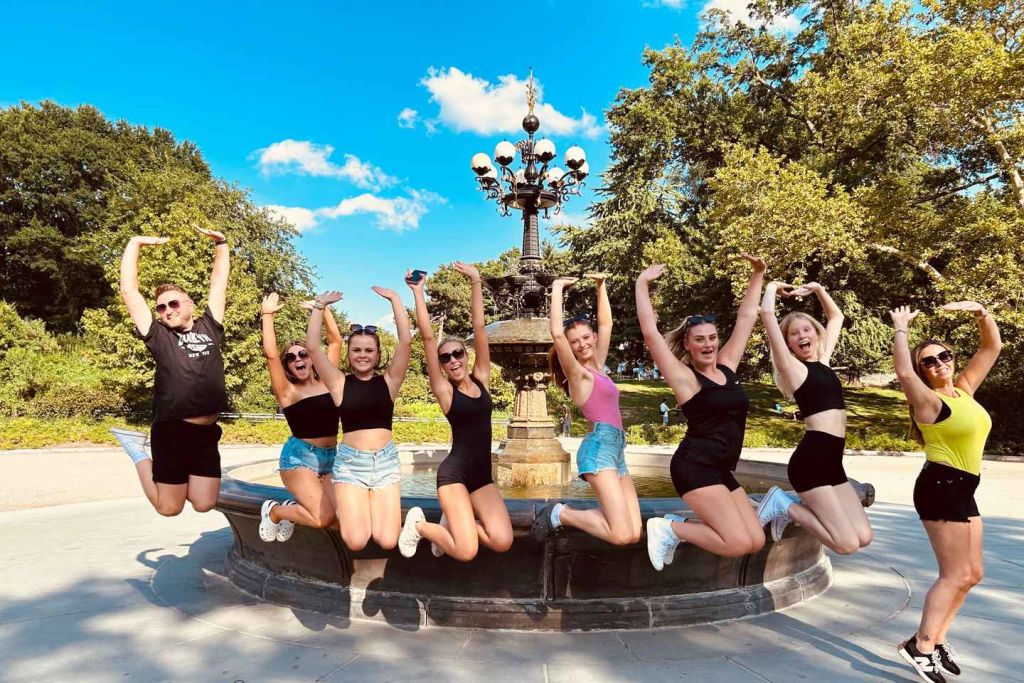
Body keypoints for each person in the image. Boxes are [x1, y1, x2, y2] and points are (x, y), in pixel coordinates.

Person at [635, 256, 771, 570]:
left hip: (720, 469)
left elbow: (746, 317)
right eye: (700, 340)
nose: (708, 345)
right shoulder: (686, 379)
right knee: (737, 543)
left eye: (712, 338)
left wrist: (758, 273)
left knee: (755, 540)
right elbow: (651, 334)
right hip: (695, 467)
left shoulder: (727, 366)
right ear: (688, 344)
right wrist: (642, 284)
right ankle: (668, 528)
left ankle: (678, 524)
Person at [891, 302, 1000, 683]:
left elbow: (991, 348)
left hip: (963, 488)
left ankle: (936, 639)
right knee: (953, 575)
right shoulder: (928, 401)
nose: (939, 364)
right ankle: (920, 647)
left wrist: (981, 312)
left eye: (944, 356)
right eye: (929, 362)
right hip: (940, 487)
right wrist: (901, 328)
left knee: (972, 573)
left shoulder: (964, 390)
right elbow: (903, 372)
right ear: (922, 370)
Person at [109, 227, 229, 517]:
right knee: (169, 508)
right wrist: (135, 242)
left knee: (204, 503)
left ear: (190, 305)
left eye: (173, 303)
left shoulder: (210, 326)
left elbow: (218, 284)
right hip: (173, 432)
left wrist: (221, 243)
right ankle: (137, 450)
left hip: (207, 432)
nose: (167, 310)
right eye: (161, 307)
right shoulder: (160, 336)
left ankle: (170, 476)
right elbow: (129, 291)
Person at [399, 263, 513, 561]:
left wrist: (476, 281)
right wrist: (418, 292)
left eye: (458, 353)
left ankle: (450, 526)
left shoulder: (482, 378)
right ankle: (420, 526)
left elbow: (479, 328)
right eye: (445, 357)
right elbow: (427, 339)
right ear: (442, 364)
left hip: (481, 476)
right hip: (454, 474)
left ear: (466, 354)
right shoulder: (445, 391)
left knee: (502, 541)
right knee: (466, 550)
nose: (453, 360)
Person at [758, 281, 873, 554]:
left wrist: (819, 289)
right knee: (846, 545)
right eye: (794, 333)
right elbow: (767, 315)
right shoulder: (792, 369)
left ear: (816, 333)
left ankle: (791, 507)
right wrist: (772, 286)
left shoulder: (824, 362)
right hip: (810, 463)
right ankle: (782, 504)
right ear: (788, 343)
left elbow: (836, 317)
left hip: (833, 464)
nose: (802, 336)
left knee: (864, 536)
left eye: (806, 329)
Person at [531, 274, 642, 546]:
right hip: (599, 449)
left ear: (593, 337)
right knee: (621, 534)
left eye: (585, 337)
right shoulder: (578, 374)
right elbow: (557, 333)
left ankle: (563, 514)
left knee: (634, 532)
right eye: (575, 342)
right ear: (569, 348)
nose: (582, 344)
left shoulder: (599, 366)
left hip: (616, 449)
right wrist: (557, 287)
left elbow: (606, 323)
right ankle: (561, 513)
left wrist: (600, 286)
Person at [305, 285, 413, 551]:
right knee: (355, 541)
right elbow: (313, 348)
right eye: (356, 350)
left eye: (368, 350)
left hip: (385, 464)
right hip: (351, 466)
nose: (363, 355)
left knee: (387, 540)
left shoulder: (390, 381)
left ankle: (414, 523)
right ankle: (350, 506)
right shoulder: (339, 383)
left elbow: (406, 342)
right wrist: (319, 306)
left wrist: (395, 299)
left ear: (378, 354)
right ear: (349, 354)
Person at [256, 293, 344, 543]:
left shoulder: (328, 381)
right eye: (291, 357)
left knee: (340, 518)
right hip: (300, 458)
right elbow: (271, 355)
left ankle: (293, 509)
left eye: (303, 354)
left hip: (330, 458)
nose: (298, 359)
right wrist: (267, 315)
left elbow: (335, 342)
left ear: (312, 358)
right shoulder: (288, 391)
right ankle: (276, 512)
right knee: (323, 519)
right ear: (287, 365)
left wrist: (323, 309)